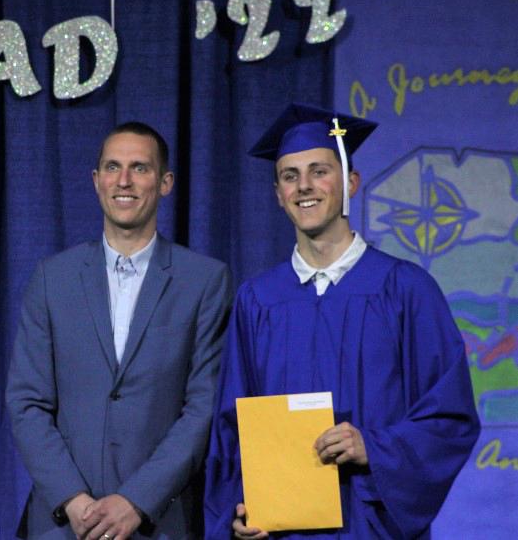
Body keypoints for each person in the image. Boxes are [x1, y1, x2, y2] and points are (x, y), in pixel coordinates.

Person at [204, 103, 480, 539]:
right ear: (277, 194)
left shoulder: (405, 290)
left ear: (351, 183)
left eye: (320, 171)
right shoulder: (257, 301)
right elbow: (231, 427)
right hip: (281, 531)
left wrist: (374, 447)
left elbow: (449, 417)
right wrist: (236, 511)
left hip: (373, 525)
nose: (304, 186)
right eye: (290, 176)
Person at [6, 122, 233, 539]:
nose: (123, 180)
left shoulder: (204, 281)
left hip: (157, 523)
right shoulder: (52, 278)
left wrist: (136, 501)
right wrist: (74, 500)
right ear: (97, 181)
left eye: (140, 168)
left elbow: (203, 407)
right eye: (112, 167)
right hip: (65, 525)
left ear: (165, 183)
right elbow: (27, 402)